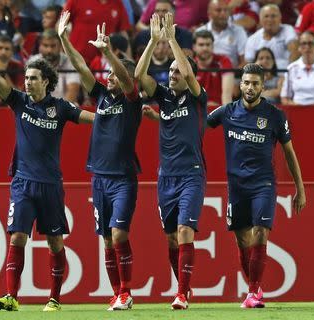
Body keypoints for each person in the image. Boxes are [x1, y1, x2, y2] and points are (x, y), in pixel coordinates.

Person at [0, 26, 95, 312]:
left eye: (33, 78)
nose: (27, 82)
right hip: (23, 182)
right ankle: (11, 296)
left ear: (47, 82)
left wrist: (114, 118)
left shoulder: (60, 107)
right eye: (26, 78)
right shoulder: (19, 102)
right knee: (18, 236)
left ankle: (54, 298)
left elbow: (92, 119)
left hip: (50, 184)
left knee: (54, 242)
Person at [59, 11, 142, 311]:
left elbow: (125, 79)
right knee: (107, 240)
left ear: (127, 79)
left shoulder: (133, 102)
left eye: (115, 74)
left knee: (119, 233)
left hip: (123, 179)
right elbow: (82, 68)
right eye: (107, 73)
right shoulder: (102, 98)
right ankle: (119, 292)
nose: (108, 78)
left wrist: (108, 51)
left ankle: (127, 290)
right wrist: (64, 41)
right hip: (99, 178)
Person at [207, 63, 306, 308]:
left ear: (263, 86)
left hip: (263, 184)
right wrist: (159, 117)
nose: (250, 87)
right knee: (243, 241)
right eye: (247, 83)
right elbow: (195, 125)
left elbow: (289, 153)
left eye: (255, 83)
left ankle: (252, 293)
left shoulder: (274, 115)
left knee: (260, 232)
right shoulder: (226, 112)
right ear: (240, 84)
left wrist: (300, 189)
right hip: (236, 186)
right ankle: (256, 287)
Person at [135, 12, 207, 310]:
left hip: (191, 174)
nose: (173, 75)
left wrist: (174, 40)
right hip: (166, 177)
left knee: (184, 231)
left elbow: (189, 75)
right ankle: (184, 288)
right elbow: (139, 77)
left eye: (178, 71)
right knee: (171, 240)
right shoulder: (164, 98)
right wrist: (153, 42)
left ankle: (181, 292)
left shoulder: (196, 96)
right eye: (172, 72)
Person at [31, 29, 81, 104]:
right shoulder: (33, 62)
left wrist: (59, 113)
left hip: (65, 109)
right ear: (40, 46)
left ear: (60, 45)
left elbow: (72, 91)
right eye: (45, 45)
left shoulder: (70, 62)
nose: (49, 50)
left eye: (53, 46)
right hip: (39, 109)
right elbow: (30, 92)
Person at [244, 4, 299, 69]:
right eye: (266, 16)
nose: (270, 19)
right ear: (260, 20)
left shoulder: (288, 30)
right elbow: (248, 65)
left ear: (280, 18)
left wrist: (288, 73)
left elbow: (295, 52)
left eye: (273, 16)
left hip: (285, 73)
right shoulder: (252, 39)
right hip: (262, 75)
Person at [196, 0, 248, 68]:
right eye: (218, 10)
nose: (223, 13)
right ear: (209, 13)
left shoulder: (239, 31)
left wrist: (231, 74)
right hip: (206, 75)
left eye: (225, 10)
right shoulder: (199, 32)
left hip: (233, 74)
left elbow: (245, 61)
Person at [193, 29, 234, 106]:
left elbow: (227, 95)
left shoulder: (224, 61)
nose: (205, 48)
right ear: (194, 47)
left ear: (213, 46)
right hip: (198, 113)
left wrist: (226, 115)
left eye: (208, 44)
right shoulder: (190, 65)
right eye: (201, 45)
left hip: (219, 111)